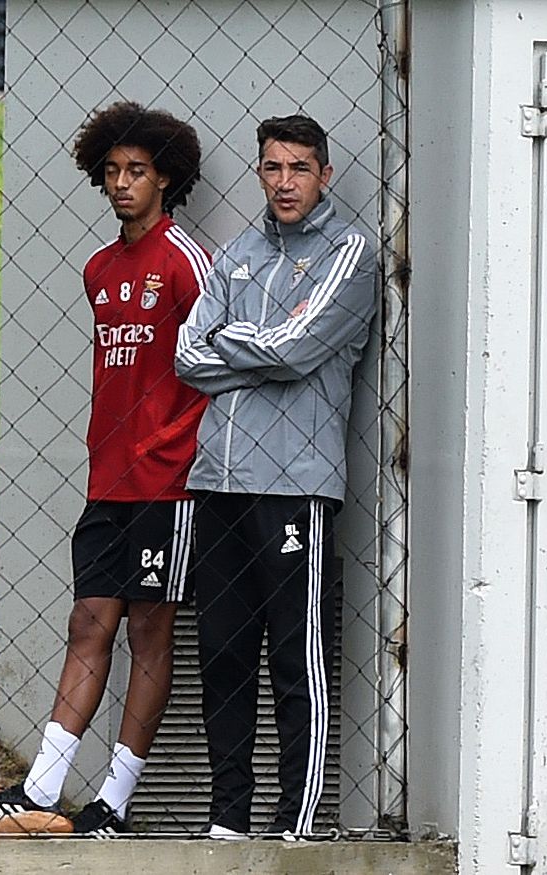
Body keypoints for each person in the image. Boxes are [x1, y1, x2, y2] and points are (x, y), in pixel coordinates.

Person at [0, 101, 210, 835]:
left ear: (166, 178)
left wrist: (178, 444)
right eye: (112, 172)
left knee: (149, 633)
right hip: (108, 480)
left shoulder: (185, 262)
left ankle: (112, 805)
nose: (122, 184)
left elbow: (217, 366)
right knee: (87, 620)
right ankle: (39, 788)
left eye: (137, 171)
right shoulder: (99, 268)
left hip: (170, 482)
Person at [174, 114, 377, 840]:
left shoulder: (349, 253)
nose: (284, 182)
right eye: (271, 167)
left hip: (294, 486)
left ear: (323, 175)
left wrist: (233, 343)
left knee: (297, 662)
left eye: (298, 168)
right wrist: (249, 345)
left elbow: (298, 349)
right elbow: (185, 353)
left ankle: (295, 823)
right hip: (218, 484)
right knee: (223, 657)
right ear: (258, 172)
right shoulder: (236, 250)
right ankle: (227, 820)